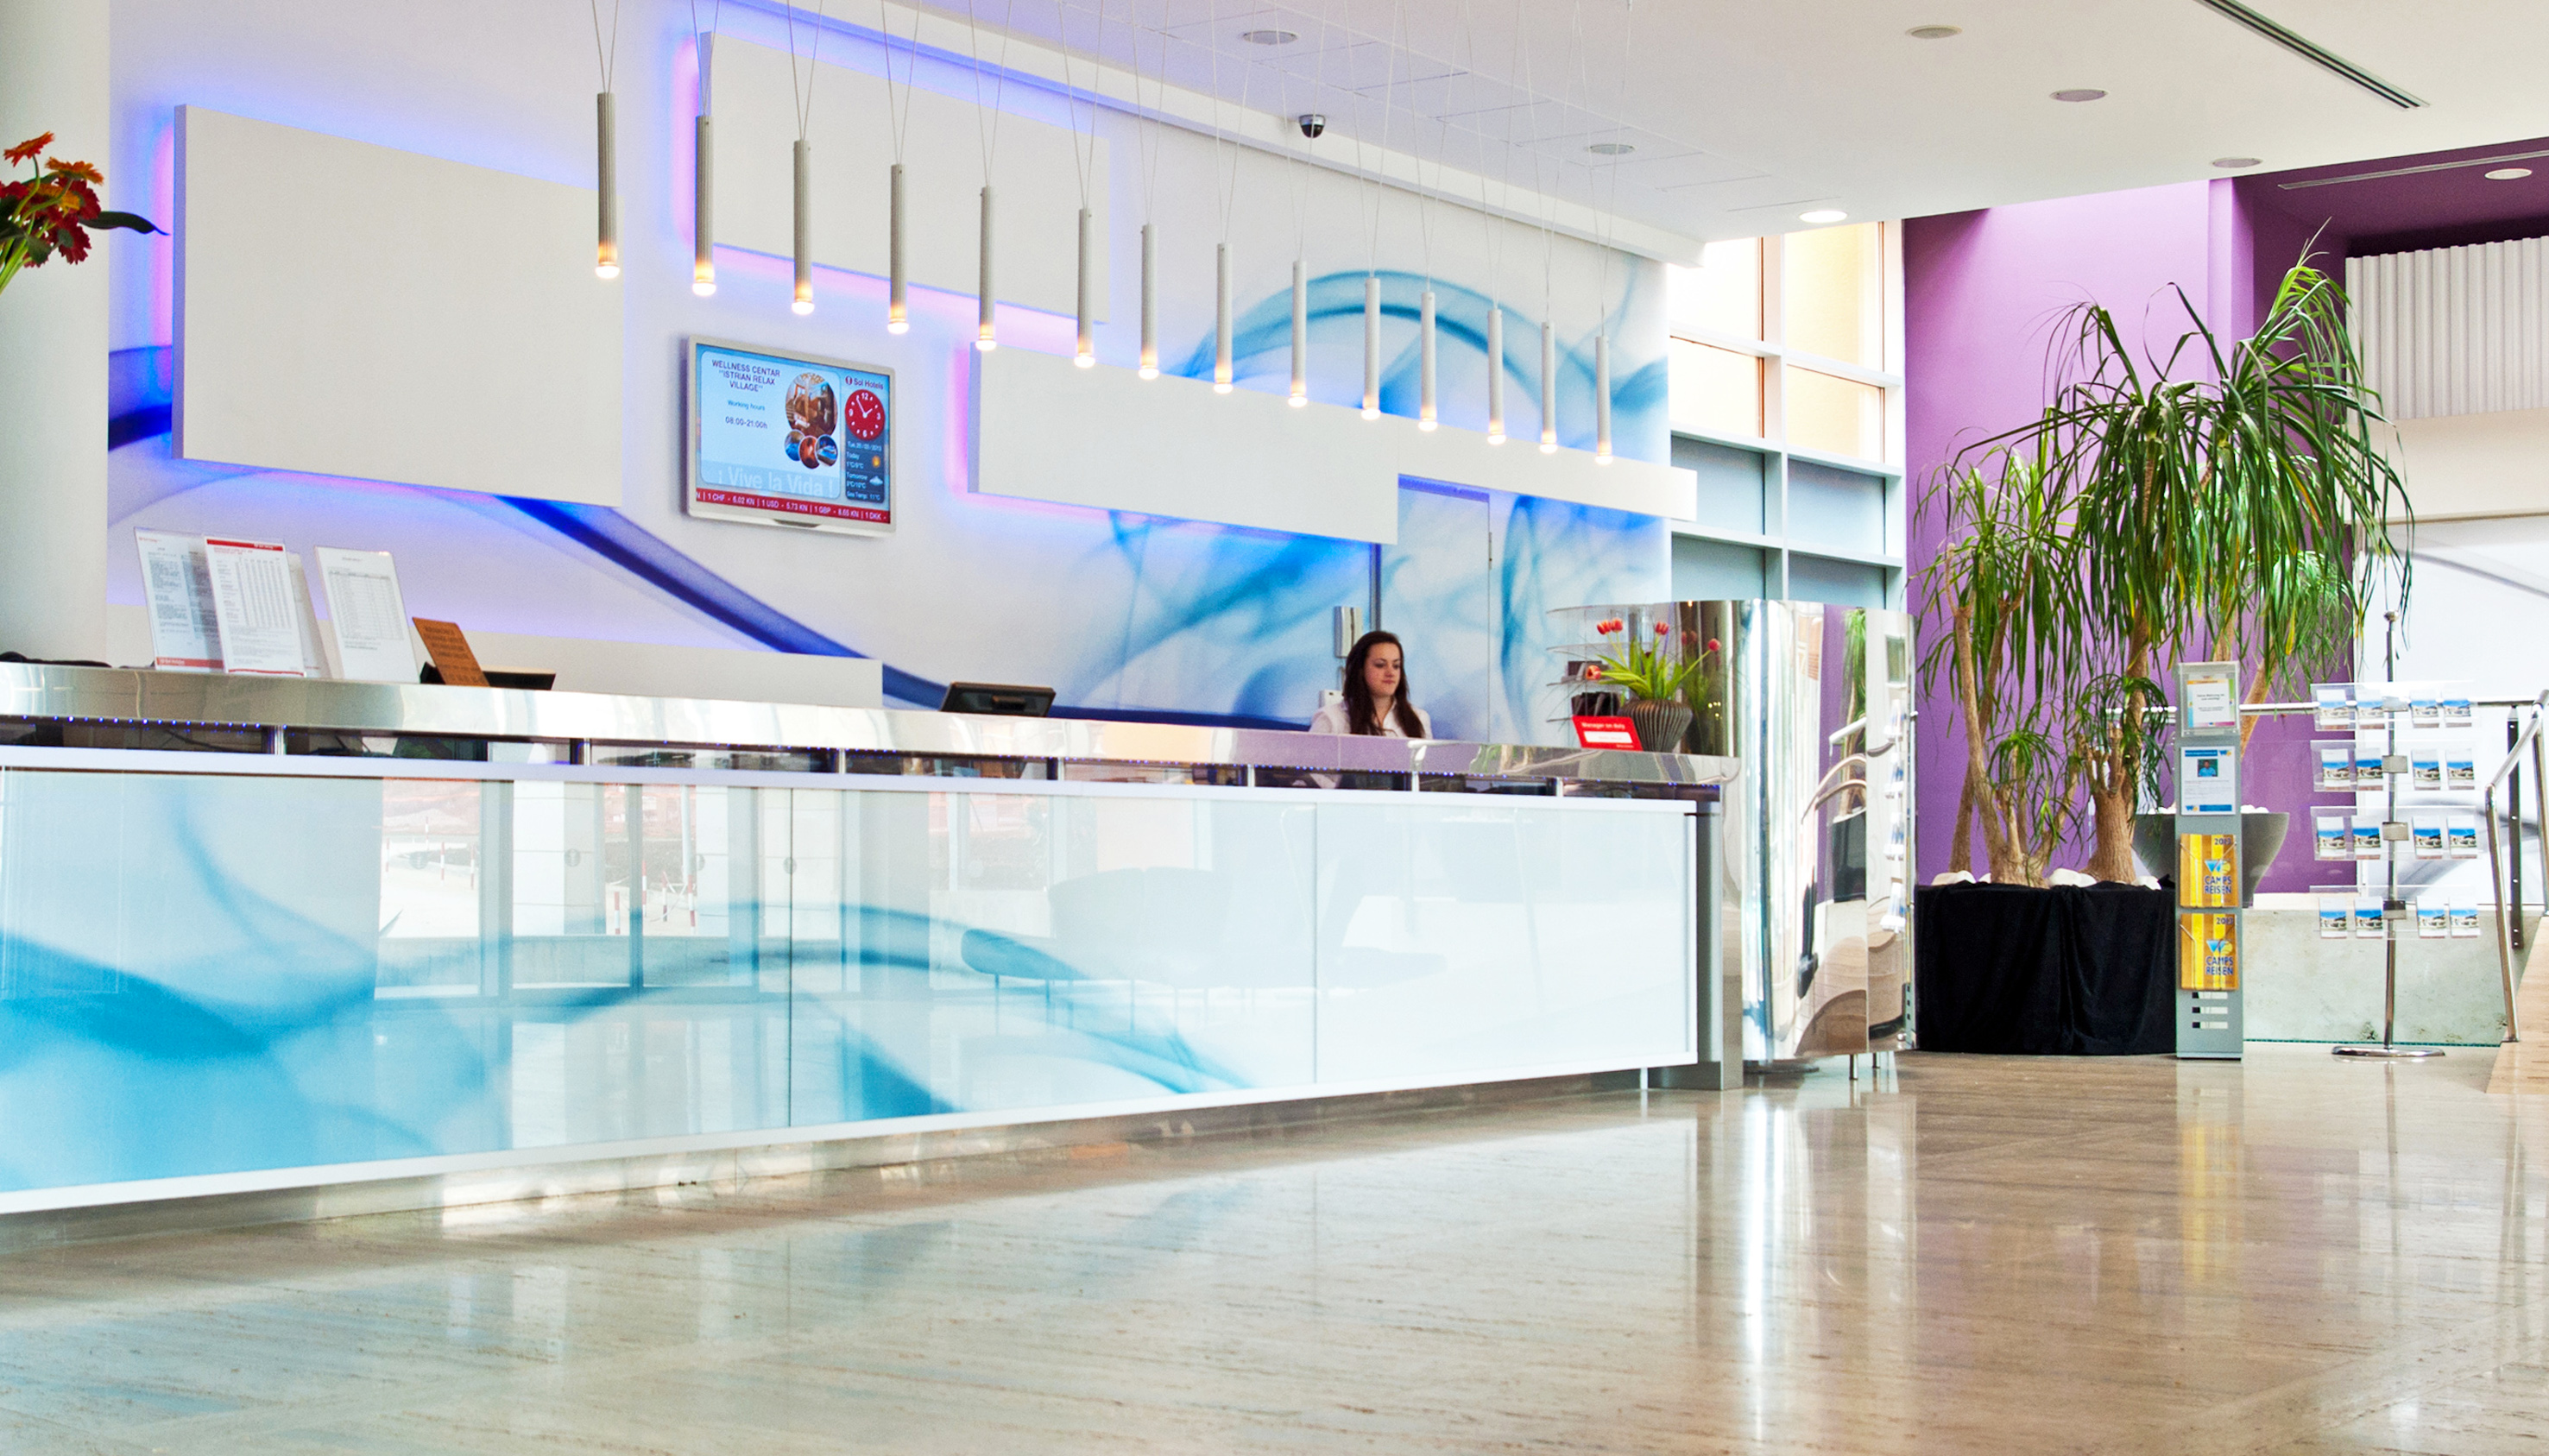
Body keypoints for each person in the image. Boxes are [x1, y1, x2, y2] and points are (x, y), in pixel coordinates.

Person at [1310, 629, 1432, 738]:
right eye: (1380, 665)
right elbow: (1309, 762)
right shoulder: (1332, 718)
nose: (1391, 673)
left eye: (1396, 666)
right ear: (1361, 669)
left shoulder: (1419, 718)